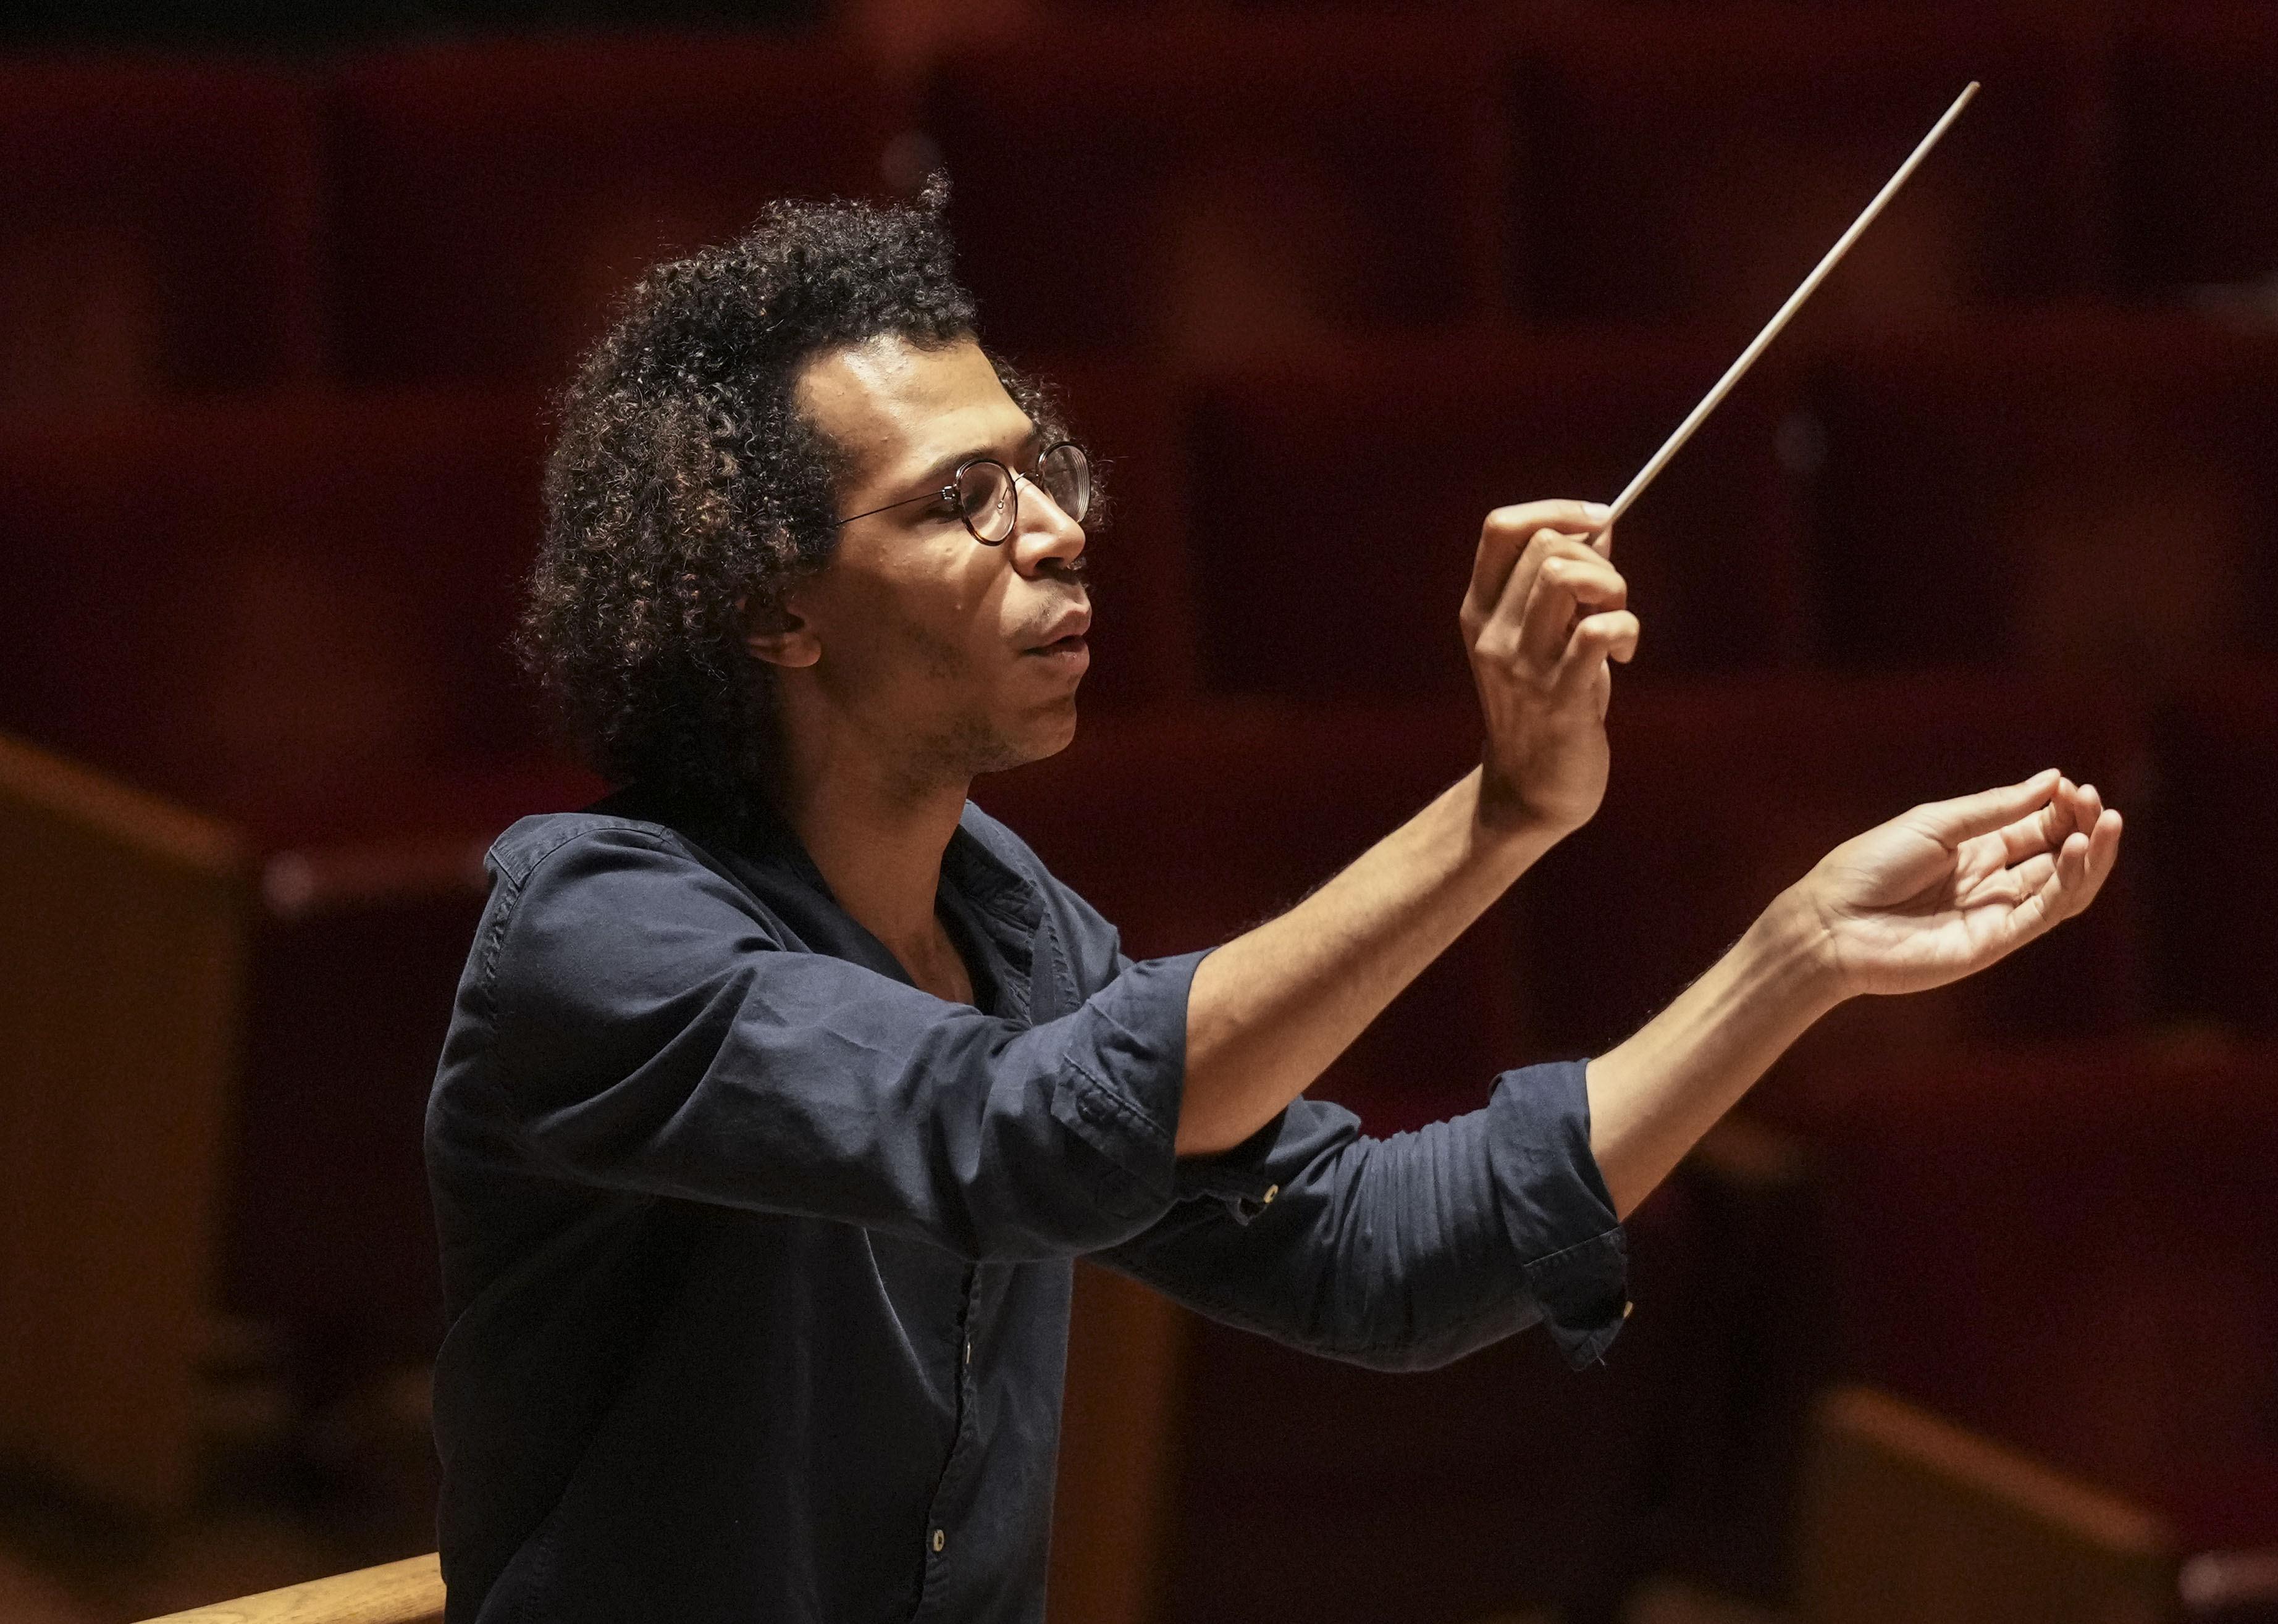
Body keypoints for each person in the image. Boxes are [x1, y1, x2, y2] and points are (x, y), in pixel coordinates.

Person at [425, 187, 2122, 1623]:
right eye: (960, 501)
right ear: (774, 610)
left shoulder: (1015, 928)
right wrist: (1500, 815)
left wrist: (1795, 954)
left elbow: (1378, 1263)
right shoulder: (595, 937)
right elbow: (1018, 1142)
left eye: (1038, 468)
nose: (1058, 528)